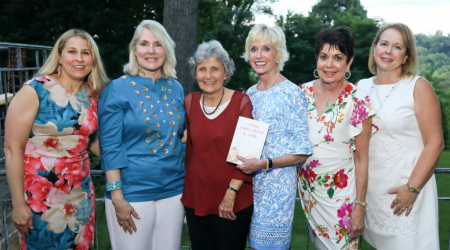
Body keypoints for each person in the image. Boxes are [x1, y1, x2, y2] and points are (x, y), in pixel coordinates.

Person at [4, 29, 109, 249]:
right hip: (41, 198)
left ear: (93, 59)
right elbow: (12, 149)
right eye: (72, 51)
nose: (79, 59)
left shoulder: (93, 95)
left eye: (85, 53)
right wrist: (18, 205)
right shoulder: (35, 90)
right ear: (60, 56)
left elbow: (89, 140)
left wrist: (133, 162)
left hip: (81, 197)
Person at [98, 20, 186, 250]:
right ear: (134, 49)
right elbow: (110, 146)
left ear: (166, 50)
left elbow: (180, 137)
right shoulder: (116, 89)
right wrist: (117, 197)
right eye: (144, 44)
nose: (151, 51)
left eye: (158, 44)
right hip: (132, 193)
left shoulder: (176, 88)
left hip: (173, 191)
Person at [358, 23, 443, 250]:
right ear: (374, 48)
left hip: (407, 195)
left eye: (397, 47)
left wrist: (412, 189)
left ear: (406, 56)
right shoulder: (361, 88)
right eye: (384, 44)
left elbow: (435, 143)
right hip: (373, 197)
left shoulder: (418, 86)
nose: (388, 51)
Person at [237, 24, 314, 250]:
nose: (259, 55)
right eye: (253, 49)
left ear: (278, 53)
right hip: (246, 187)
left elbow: (302, 151)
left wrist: (265, 163)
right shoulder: (248, 94)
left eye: (266, 49)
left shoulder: (292, 93)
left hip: (276, 192)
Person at [297, 27, 373, 250]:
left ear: (349, 63)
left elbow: (362, 159)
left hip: (341, 200)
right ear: (317, 59)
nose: (329, 65)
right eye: (324, 57)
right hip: (310, 196)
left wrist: (359, 207)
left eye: (337, 58)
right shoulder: (301, 94)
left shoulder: (359, 100)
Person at [181, 40, 254, 250]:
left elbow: (247, 153)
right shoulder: (188, 102)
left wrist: (231, 193)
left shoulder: (242, 102)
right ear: (195, 73)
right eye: (202, 69)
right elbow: (179, 139)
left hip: (233, 201)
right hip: (196, 199)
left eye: (215, 69)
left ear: (226, 73)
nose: (208, 75)